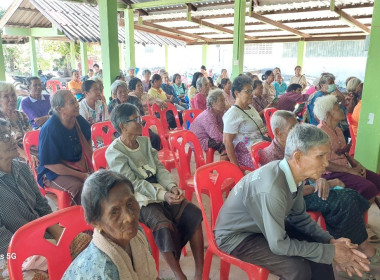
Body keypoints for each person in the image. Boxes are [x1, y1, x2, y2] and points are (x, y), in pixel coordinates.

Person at [215, 123, 371, 280]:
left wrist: (330, 241)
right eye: (320, 156)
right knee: (297, 269)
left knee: (319, 249)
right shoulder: (272, 189)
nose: (325, 163)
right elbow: (278, 245)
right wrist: (331, 251)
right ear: (297, 157)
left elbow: (299, 218)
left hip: (262, 226)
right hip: (237, 236)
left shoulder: (292, 175)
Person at [259, 111, 380, 275]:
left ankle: (354, 245)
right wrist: (326, 183)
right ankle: (351, 255)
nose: (298, 131)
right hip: (295, 198)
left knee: (352, 195)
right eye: (293, 128)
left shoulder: (296, 146)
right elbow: (288, 191)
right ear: (279, 133)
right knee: (342, 201)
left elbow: (308, 171)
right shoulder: (271, 155)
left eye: (298, 126)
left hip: (304, 190)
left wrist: (319, 180)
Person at [106, 103, 204, 280]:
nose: (141, 122)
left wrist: (171, 187)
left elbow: (159, 168)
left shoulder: (144, 142)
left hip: (158, 188)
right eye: (136, 119)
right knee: (162, 225)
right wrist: (163, 195)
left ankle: (199, 274)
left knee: (193, 213)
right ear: (122, 126)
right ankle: (179, 275)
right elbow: (133, 184)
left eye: (140, 118)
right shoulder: (114, 152)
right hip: (136, 197)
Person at [0, 118, 91, 279]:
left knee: (86, 242)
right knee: (38, 276)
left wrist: (52, 237)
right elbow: (2, 238)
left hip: (41, 233)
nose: (13, 140)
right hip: (10, 252)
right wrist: (36, 248)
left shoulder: (21, 167)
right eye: (5, 137)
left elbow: (43, 207)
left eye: (10, 134)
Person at [62, 170, 157, 280]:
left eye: (130, 204)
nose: (129, 218)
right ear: (95, 222)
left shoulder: (138, 234)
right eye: (114, 212)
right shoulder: (103, 269)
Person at [313, 95, 380, 204]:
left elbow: (343, 154)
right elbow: (323, 163)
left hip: (344, 169)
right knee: (369, 189)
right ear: (328, 114)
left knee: (377, 181)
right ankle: (355, 218)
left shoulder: (338, 130)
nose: (342, 110)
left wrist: (357, 165)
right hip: (329, 173)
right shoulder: (320, 133)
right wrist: (350, 171)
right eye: (338, 109)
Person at [38, 90, 93, 205]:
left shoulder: (77, 119)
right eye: (72, 102)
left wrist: (89, 166)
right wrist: (82, 175)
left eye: (75, 101)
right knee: (80, 187)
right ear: (60, 109)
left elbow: (88, 137)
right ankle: (76, 219)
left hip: (76, 166)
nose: (77, 104)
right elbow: (50, 164)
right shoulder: (50, 129)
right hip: (52, 173)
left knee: (99, 180)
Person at [223, 75, 267, 170]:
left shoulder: (251, 108)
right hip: (248, 154)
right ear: (237, 93)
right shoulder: (233, 114)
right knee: (271, 168)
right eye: (248, 91)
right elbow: (227, 141)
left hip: (262, 147)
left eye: (252, 90)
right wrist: (236, 168)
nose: (252, 94)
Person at [109, 80, 161, 151]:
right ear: (115, 94)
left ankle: (151, 157)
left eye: (125, 91)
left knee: (155, 138)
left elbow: (141, 116)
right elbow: (113, 121)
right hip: (121, 130)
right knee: (128, 142)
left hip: (137, 126)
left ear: (128, 91)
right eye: (120, 92)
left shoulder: (135, 100)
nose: (123, 94)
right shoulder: (112, 105)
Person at [0, 82, 35, 164]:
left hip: (30, 151)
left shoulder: (22, 115)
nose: (11, 99)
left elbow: (30, 137)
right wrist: (26, 155)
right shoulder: (1, 121)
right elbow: (7, 145)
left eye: (13, 95)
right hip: (12, 156)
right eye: (6, 96)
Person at [190, 89, 227, 160]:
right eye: (221, 100)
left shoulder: (219, 112)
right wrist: (228, 139)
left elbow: (223, 128)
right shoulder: (208, 116)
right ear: (213, 104)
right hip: (198, 139)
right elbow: (215, 135)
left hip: (208, 135)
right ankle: (223, 168)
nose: (224, 103)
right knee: (224, 145)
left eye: (224, 100)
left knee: (229, 142)